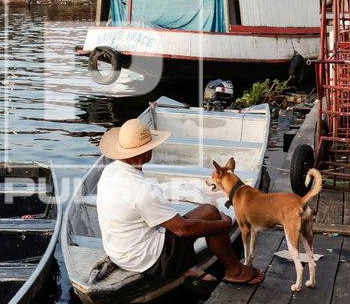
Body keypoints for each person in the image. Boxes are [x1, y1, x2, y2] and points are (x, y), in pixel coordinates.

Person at [96, 119, 264, 287]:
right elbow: (183, 229)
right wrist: (224, 224)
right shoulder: (143, 190)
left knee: (207, 211)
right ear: (146, 153)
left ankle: (188, 266)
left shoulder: (110, 170)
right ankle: (235, 271)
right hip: (149, 260)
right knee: (212, 214)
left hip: (117, 252)